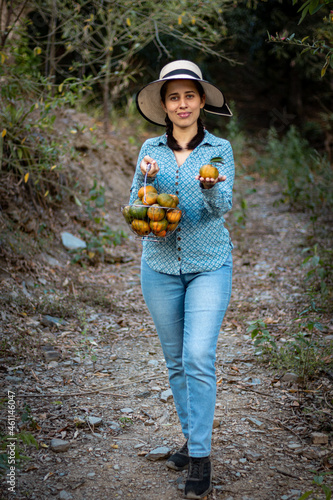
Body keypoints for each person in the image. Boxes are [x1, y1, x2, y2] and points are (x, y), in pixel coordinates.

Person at [129, 60, 234, 499]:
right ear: (165, 105)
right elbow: (134, 205)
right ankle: (192, 440)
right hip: (158, 267)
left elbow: (223, 206)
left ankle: (202, 459)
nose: (183, 103)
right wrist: (147, 188)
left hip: (210, 264)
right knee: (175, 362)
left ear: (202, 100)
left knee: (197, 357)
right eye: (174, 97)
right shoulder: (150, 148)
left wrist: (210, 187)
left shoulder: (219, 150)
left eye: (190, 95)